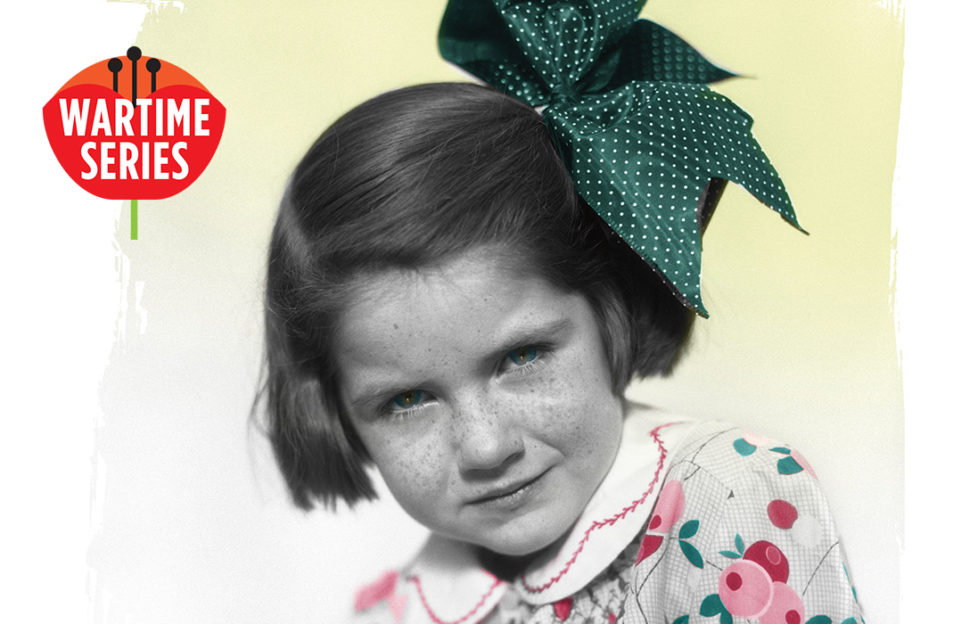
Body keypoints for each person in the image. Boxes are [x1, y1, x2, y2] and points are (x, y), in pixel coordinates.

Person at [258, 3, 864, 623]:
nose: (486, 446)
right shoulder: (393, 613)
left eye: (521, 357)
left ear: (611, 310)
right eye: (407, 400)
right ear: (334, 411)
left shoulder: (727, 496)